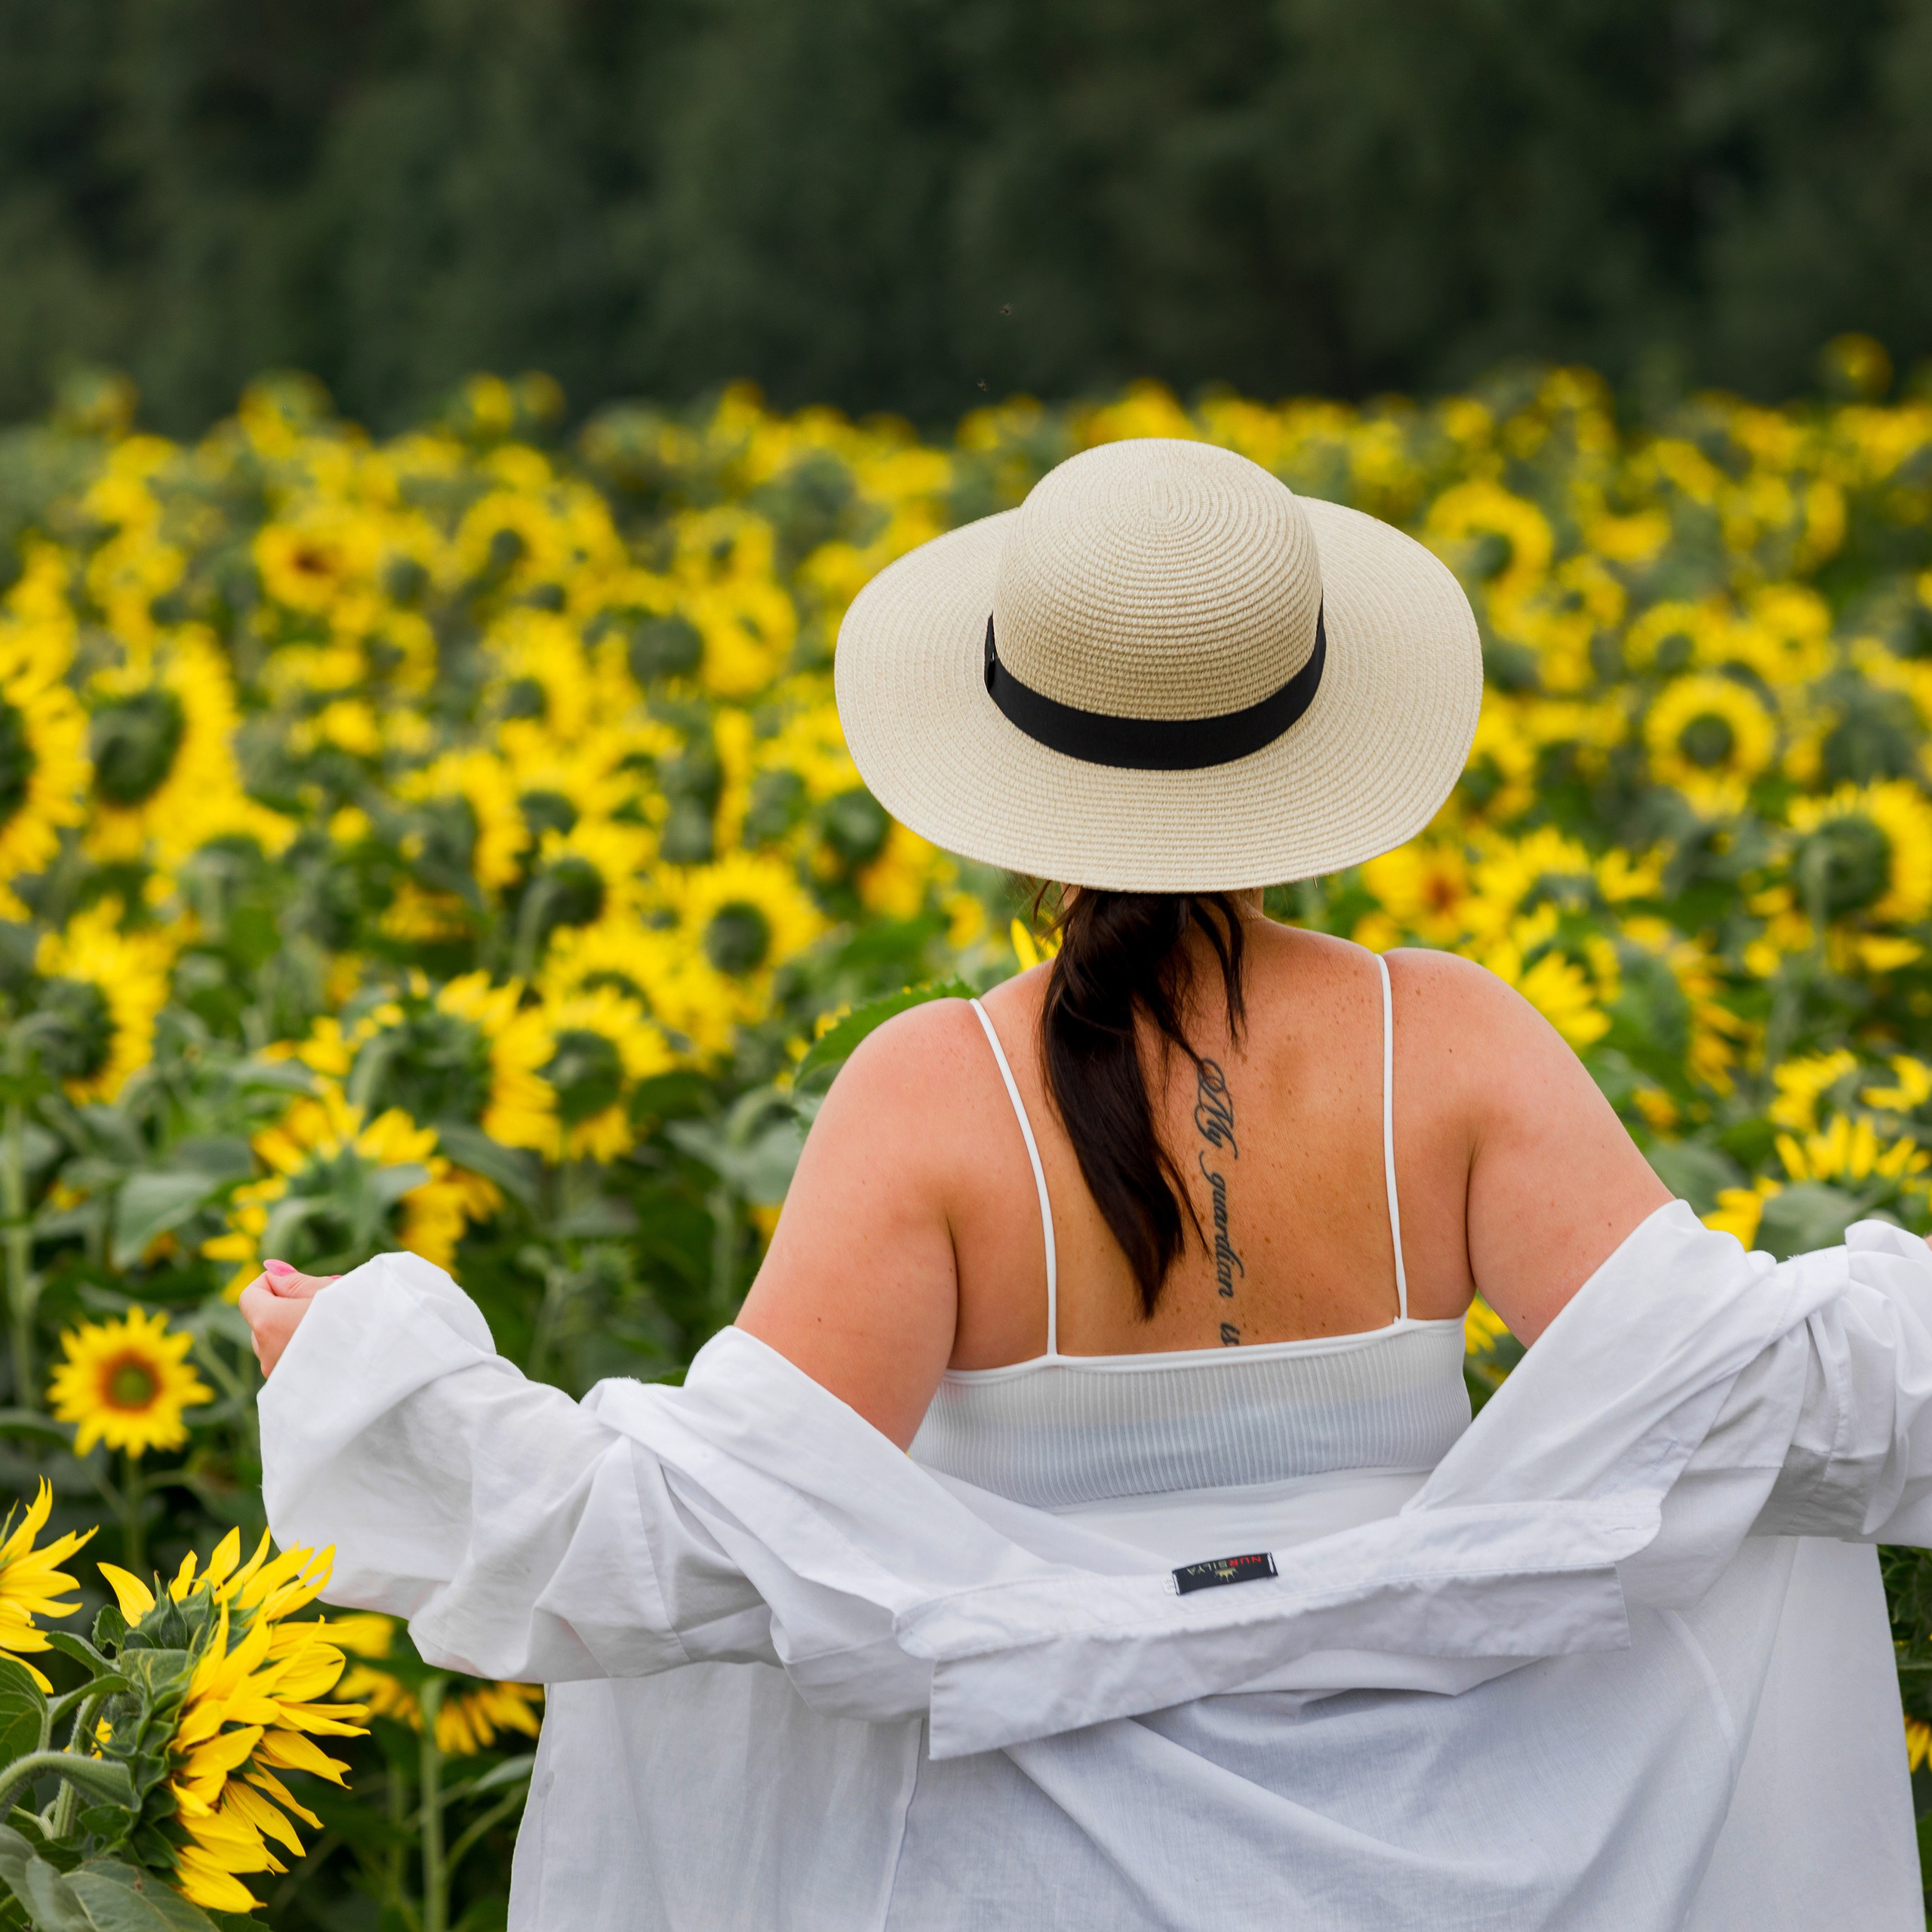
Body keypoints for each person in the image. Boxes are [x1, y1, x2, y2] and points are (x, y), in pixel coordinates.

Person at [244, 439, 1932, 1930]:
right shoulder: (1458, 1043)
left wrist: (377, 1381)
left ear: (1004, 756)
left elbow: (702, 1535)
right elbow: (1766, 1399)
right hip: (1459, 1833)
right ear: (1308, 744)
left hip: (1013, 1857)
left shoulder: (929, 1092)